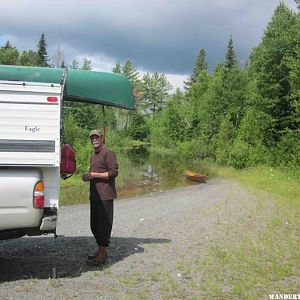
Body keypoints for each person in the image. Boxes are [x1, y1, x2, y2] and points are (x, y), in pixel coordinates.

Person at [82, 129, 118, 265]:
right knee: (95, 225)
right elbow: (94, 173)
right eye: (92, 138)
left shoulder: (108, 153)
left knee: (103, 225)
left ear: (102, 139)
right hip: (95, 195)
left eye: (96, 137)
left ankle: (102, 255)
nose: (94, 140)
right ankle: (100, 250)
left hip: (106, 195)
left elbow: (113, 173)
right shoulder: (93, 156)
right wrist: (87, 176)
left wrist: (94, 175)